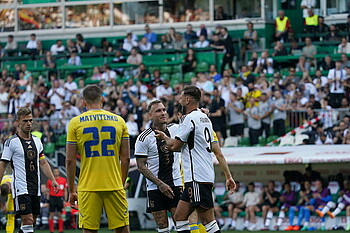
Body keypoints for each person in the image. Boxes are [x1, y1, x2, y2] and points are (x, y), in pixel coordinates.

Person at [154, 85, 235, 233]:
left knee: (207, 220)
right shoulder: (205, 119)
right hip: (202, 176)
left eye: (181, 96)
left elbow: (176, 147)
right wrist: (228, 176)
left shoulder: (189, 119)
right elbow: (219, 153)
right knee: (179, 217)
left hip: (196, 176)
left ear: (187, 99)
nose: (179, 99)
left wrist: (164, 138)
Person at [66, 85, 130, 233]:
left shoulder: (75, 123)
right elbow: (126, 158)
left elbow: (69, 160)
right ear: (102, 99)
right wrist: (120, 183)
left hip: (88, 186)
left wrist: (71, 190)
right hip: (114, 184)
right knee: (122, 229)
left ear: (83, 102)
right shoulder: (119, 121)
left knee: (89, 230)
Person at [0, 107, 59, 233]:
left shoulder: (37, 141)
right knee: (27, 220)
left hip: (35, 187)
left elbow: (43, 162)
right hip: (21, 187)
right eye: (25, 121)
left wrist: (53, 180)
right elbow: (3, 165)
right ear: (18, 122)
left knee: (31, 223)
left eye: (30, 121)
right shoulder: (11, 142)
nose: (29, 123)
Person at [135, 100, 182, 233]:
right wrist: (160, 184)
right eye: (158, 111)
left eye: (164, 110)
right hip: (155, 187)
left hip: (176, 184)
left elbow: (192, 125)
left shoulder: (176, 129)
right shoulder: (143, 138)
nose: (163, 113)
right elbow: (140, 166)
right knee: (162, 226)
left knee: (181, 223)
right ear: (150, 115)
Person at [47, 168, 67, 233]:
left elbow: (65, 190)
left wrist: (65, 199)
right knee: (51, 214)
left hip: (60, 198)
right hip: (52, 197)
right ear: (53, 172)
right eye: (55, 171)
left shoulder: (63, 180)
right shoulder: (50, 180)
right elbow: (48, 190)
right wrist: (48, 199)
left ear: (59, 172)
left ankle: (60, 230)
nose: (56, 172)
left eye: (57, 171)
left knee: (60, 214)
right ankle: (51, 230)